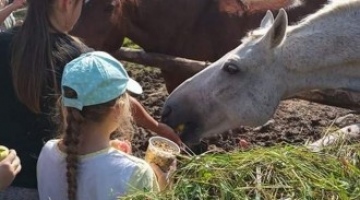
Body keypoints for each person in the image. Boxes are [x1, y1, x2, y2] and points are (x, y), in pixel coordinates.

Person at [0, 0, 179, 199]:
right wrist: (155, 126)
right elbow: (116, 98)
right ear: (66, 3)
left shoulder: (2, 43)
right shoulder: (78, 57)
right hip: (49, 185)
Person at [37, 51, 172, 200]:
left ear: (64, 106)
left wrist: (115, 158)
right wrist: (164, 182)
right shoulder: (136, 173)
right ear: (118, 109)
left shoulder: (47, 152)